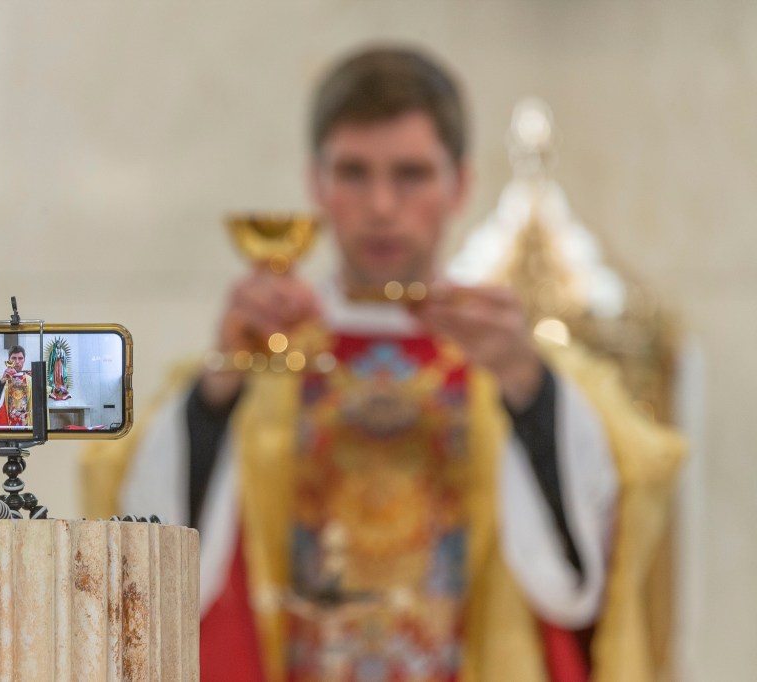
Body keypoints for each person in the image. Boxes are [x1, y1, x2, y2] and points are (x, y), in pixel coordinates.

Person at [83, 45, 683, 682]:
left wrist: (526, 387)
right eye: (353, 172)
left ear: (461, 183)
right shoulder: (256, 361)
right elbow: (145, 559)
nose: (381, 206)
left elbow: (597, 567)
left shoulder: (517, 364)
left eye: (411, 174)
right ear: (316, 183)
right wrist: (218, 389)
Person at [0, 344, 33, 428]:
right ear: (9, 360)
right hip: (8, 424)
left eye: (20, 358)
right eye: (14, 358)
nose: (17, 361)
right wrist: (1, 383)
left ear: (24, 360)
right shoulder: (3, 379)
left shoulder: (30, 380)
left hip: (26, 424)